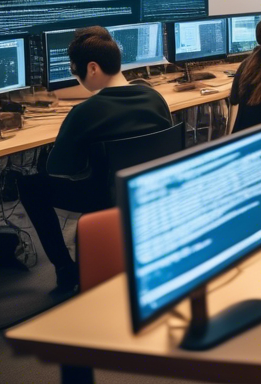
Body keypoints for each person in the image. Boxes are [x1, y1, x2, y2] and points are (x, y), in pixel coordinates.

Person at [18, 27, 172, 290]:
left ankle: (66, 270)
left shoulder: (84, 112)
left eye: (73, 70)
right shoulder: (155, 98)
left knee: (30, 187)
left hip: (104, 198)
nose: (74, 77)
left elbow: (59, 169)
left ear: (91, 69)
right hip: (150, 191)